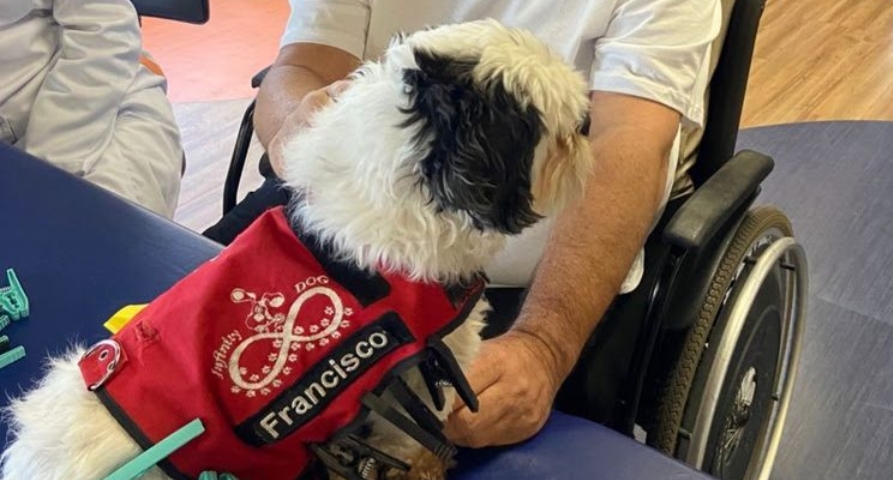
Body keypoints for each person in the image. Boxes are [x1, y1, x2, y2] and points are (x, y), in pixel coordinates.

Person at [204, 0, 722, 449]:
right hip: (339, 219)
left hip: (523, 278)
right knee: (161, 355)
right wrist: (296, 121)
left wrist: (544, 345)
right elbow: (300, 66)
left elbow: (625, 143)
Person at [0, 0, 183, 218]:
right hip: (16, 150)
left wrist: (42, 174)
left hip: (97, 108)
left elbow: (107, 34)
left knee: (78, 232)